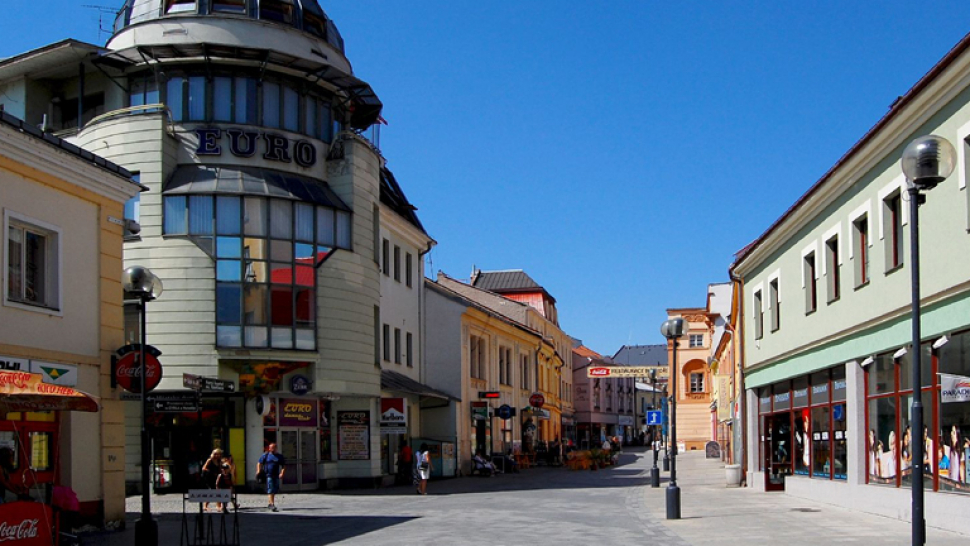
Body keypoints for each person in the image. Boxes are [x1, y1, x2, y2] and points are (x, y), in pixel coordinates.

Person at [257, 443, 285, 512]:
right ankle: (272, 504)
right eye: (271, 448)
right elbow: (259, 463)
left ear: (276, 448)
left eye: (274, 448)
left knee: (275, 489)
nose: (272, 449)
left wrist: (282, 473)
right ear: (269, 448)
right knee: (270, 488)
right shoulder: (266, 455)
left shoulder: (279, 456)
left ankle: (270, 503)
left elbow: (283, 466)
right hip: (268, 475)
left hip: (276, 475)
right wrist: (258, 470)